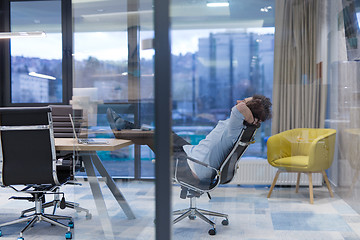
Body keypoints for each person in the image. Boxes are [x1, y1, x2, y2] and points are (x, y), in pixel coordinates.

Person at [106, 94, 272, 184]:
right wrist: (252, 117)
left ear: (249, 114)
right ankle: (124, 125)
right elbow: (241, 108)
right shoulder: (241, 128)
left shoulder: (238, 126)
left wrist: (251, 116)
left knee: (153, 137)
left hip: (194, 166)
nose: (239, 100)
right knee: (164, 132)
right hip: (193, 154)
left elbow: (238, 108)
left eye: (244, 100)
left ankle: (120, 130)